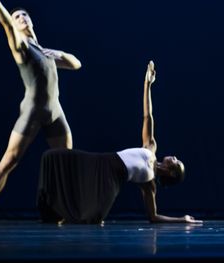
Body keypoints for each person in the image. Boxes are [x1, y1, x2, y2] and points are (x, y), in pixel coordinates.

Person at [37, 60, 199, 224]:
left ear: (172, 172)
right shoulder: (150, 148)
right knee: (54, 156)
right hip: (100, 162)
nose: (174, 157)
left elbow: (153, 217)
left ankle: (66, 212)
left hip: (109, 182)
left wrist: (182, 219)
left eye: (176, 162)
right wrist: (147, 85)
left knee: (92, 217)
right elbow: (147, 116)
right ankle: (52, 209)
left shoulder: (149, 184)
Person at [0, 0, 80, 224]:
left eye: (25, 15)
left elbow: (76, 64)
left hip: (55, 112)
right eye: (17, 17)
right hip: (32, 111)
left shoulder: (45, 52)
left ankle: (64, 211)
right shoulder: (21, 47)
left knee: (66, 161)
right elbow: (7, 27)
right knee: (9, 161)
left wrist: (58, 53)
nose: (22, 18)